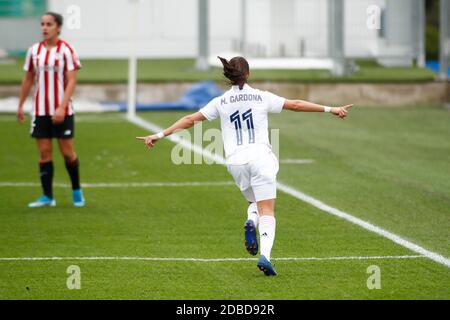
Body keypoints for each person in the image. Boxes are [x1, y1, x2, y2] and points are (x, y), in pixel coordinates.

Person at [137, 56, 353, 275]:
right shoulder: (261, 97)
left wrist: (159, 134)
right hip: (261, 158)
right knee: (267, 208)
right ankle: (266, 256)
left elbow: (190, 119)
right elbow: (295, 105)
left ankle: (251, 220)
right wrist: (330, 109)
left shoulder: (220, 102)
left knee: (254, 201)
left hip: (235, 161)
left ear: (229, 76)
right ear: (248, 74)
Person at [17, 12, 85, 208]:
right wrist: (21, 104)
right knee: (44, 152)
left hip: (62, 110)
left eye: (49, 24)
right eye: (42, 24)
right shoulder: (34, 51)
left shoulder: (67, 50)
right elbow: (28, 78)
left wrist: (62, 107)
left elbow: (72, 80)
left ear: (58, 27)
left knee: (67, 152)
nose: (44, 28)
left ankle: (76, 191)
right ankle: (48, 196)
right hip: (40, 110)